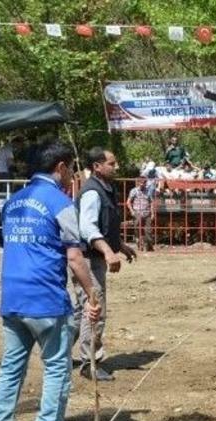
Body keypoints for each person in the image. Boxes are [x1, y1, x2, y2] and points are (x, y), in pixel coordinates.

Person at [0, 140, 101, 421]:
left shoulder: (13, 201)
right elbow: (74, 258)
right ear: (60, 167)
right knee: (57, 367)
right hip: (46, 298)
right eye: (71, 168)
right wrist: (92, 293)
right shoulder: (61, 203)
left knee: (11, 367)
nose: (73, 173)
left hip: (12, 296)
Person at [72, 147, 136, 382]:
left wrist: (120, 245)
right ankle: (90, 363)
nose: (116, 167)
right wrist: (109, 252)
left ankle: (59, 354)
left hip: (93, 257)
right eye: (112, 163)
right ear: (97, 167)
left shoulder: (107, 189)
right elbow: (87, 227)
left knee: (81, 311)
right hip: (88, 259)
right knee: (95, 310)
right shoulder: (92, 192)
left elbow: (105, 224)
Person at [127, 177, 154, 252]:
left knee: (148, 230)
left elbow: (151, 202)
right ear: (138, 183)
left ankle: (149, 247)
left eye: (144, 182)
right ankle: (139, 244)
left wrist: (152, 213)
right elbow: (128, 202)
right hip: (137, 213)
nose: (142, 184)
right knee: (137, 229)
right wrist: (132, 211)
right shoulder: (134, 191)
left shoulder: (148, 191)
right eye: (141, 182)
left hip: (146, 213)